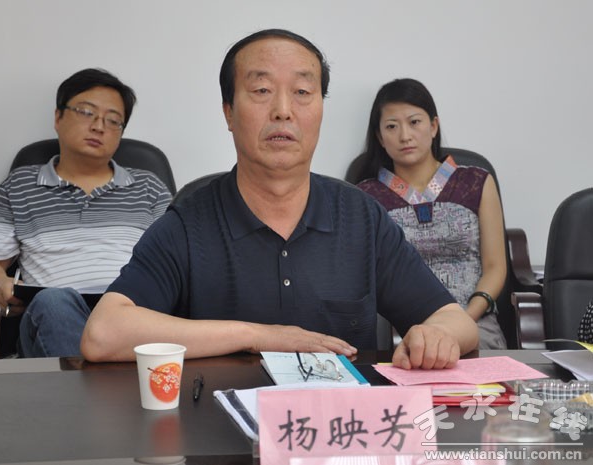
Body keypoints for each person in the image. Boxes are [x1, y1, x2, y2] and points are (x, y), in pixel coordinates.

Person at [81, 29, 478, 369]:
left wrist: (436, 335)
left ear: (320, 109)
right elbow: (103, 334)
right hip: (219, 427)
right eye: (261, 90)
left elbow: (455, 321)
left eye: (303, 92)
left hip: (339, 425)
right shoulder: (190, 223)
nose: (283, 110)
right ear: (229, 113)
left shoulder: (359, 216)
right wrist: (256, 336)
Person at [0, 68, 173, 357]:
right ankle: (94, 384)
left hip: (129, 314)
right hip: (52, 315)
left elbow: (176, 263)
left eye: (113, 120)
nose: (99, 127)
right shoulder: (20, 186)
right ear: (58, 117)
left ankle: (93, 382)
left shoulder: (149, 188)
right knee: (55, 301)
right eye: (87, 112)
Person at [356, 78, 507, 349]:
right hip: (396, 329)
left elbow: (495, 266)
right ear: (380, 137)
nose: (405, 135)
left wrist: (464, 321)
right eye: (392, 126)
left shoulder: (476, 182)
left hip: (473, 321)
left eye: (414, 122)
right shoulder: (365, 196)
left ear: (434, 126)